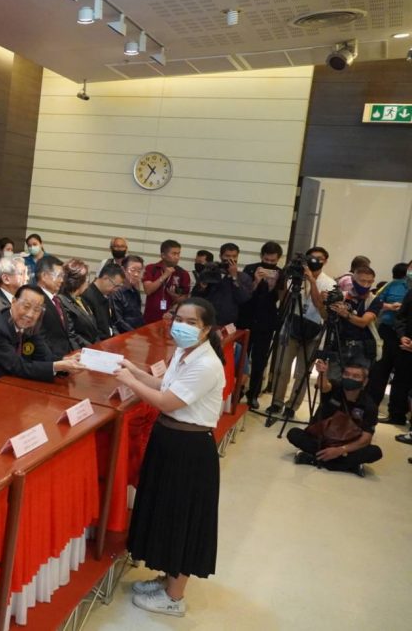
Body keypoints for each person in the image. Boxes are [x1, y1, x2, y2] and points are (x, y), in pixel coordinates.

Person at [109, 298, 226, 618]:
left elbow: (166, 402)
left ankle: (175, 597)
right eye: (179, 319)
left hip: (190, 448)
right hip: (169, 440)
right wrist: (135, 371)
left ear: (206, 330)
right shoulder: (184, 353)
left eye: (191, 322)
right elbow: (164, 385)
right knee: (167, 512)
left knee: (183, 518)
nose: (182, 326)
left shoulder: (206, 363)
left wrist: (130, 382)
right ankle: (167, 579)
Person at [0, 285, 82, 395]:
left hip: (3, 388)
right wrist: (57, 366)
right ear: (13, 302)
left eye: (37, 310)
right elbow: (16, 366)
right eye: (26, 306)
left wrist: (64, 361)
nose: (30, 314)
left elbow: (44, 356)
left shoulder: (30, 326)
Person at [268, 247, 336, 418]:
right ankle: (276, 402)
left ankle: (292, 406)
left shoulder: (329, 283)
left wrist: (312, 281)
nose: (314, 261)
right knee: (282, 368)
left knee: (302, 372)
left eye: (319, 258)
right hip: (292, 324)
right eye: (311, 258)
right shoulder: (296, 276)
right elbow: (284, 299)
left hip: (314, 329)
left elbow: (323, 311)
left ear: (325, 261)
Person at [287, 357, 383, 476]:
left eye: (356, 376)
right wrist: (322, 373)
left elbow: (366, 438)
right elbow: (323, 386)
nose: (350, 378)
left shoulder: (369, 406)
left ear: (364, 381)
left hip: (346, 445)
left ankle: (314, 459)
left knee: (375, 452)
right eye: (346, 374)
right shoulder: (335, 388)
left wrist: (340, 450)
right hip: (322, 439)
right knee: (294, 433)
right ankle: (346, 465)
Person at [238, 242, 285, 410]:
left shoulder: (281, 273)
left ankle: (254, 394)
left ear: (278, 259)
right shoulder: (250, 269)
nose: (269, 264)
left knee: (260, 360)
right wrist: (256, 281)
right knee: (241, 357)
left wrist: (276, 283)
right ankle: (237, 390)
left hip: (266, 322)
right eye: (266, 260)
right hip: (246, 319)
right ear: (261, 256)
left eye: (273, 261)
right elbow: (243, 294)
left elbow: (281, 299)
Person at [368, 262, 410, 420]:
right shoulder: (393, 285)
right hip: (387, 332)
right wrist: (390, 306)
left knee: (402, 376)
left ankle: (397, 414)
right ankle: (370, 409)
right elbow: (375, 301)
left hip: (407, 337)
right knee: (379, 371)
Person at [192, 243, 253, 327]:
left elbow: (243, 298)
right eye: (227, 256)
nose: (231, 259)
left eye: (234, 256)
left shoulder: (243, 277)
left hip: (229, 322)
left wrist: (234, 277)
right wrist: (202, 287)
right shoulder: (210, 273)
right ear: (221, 256)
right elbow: (195, 295)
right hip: (207, 319)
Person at [328, 265, 379, 365]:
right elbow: (325, 316)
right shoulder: (342, 296)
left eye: (369, 282)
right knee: (333, 373)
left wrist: (345, 314)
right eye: (362, 281)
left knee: (357, 374)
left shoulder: (374, 300)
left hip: (362, 347)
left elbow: (363, 322)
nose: (365, 285)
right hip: (339, 343)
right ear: (353, 280)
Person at [142, 239, 191, 324]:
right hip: (150, 319)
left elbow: (185, 300)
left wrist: (175, 297)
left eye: (178, 254)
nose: (177, 257)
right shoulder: (151, 268)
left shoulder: (183, 273)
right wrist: (165, 275)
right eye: (174, 254)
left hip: (172, 320)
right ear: (163, 255)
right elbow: (148, 290)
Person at [33, 255, 71, 358]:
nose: (62, 280)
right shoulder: (36, 299)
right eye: (59, 276)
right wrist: (57, 361)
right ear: (44, 276)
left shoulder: (56, 299)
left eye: (62, 276)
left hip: (66, 357)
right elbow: (38, 337)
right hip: (50, 360)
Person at [58, 258, 101, 350]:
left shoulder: (81, 299)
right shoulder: (62, 301)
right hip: (80, 351)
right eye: (86, 278)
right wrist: (92, 348)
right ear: (78, 281)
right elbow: (72, 335)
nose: (88, 282)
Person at [81, 263, 126, 340]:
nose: (116, 290)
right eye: (116, 286)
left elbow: (110, 324)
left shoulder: (105, 295)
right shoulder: (87, 296)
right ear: (105, 278)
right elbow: (90, 330)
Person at [392, 289, 412, 441]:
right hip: (406, 346)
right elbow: (401, 316)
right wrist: (402, 335)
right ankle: (397, 415)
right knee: (401, 382)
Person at [0, 255, 27, 321]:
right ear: (6, 279)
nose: (27, 278)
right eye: (21, 274)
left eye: (26, 273)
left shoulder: (19, 298)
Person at [111, 255, 145, 333]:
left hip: (136, 333)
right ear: (123, 270)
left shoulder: (135, 291)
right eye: (133, 270)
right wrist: (135, 333)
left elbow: (138, 316)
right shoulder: (116, 292)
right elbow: (118, 321)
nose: (136, 274)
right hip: (122, 335)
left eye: (139, 271)